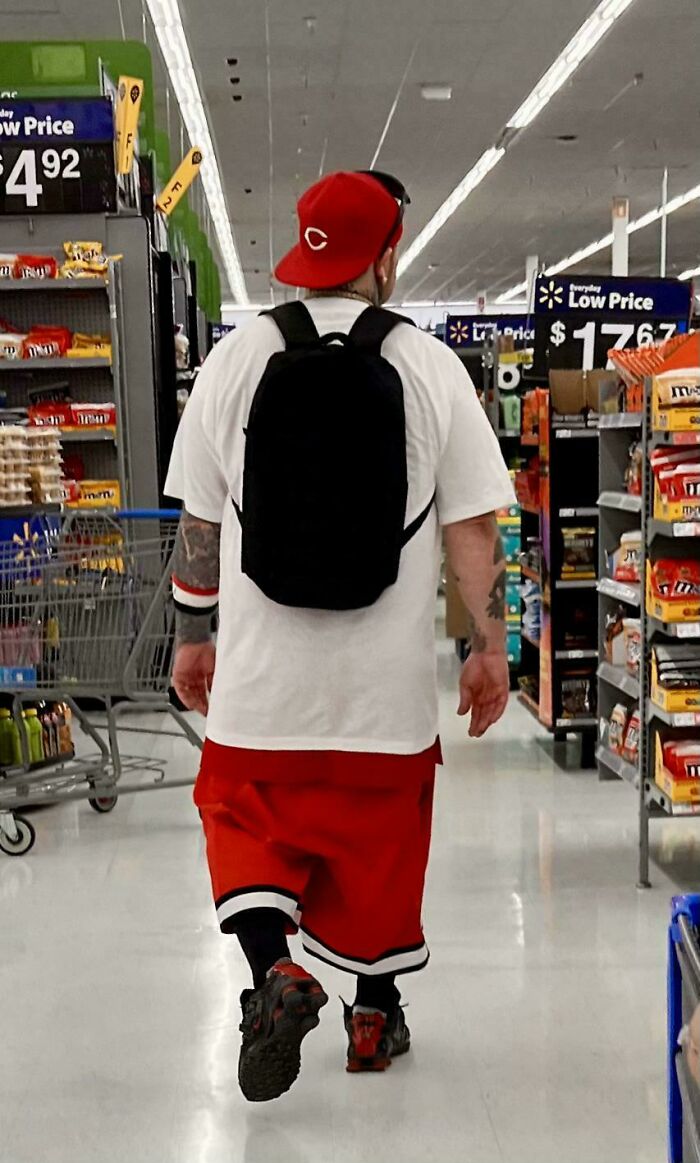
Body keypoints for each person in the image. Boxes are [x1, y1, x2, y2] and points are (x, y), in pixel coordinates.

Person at [165, 170, 515, 1103]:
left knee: (246, 829)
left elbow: (200, 525)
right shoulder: (432, 368)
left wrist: (194, 634)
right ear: (387, 256)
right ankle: (371, 1013)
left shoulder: (237, 361)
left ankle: (275, 968)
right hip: (383, 703)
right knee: (374, 859)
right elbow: (473, 531)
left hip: (259, 693)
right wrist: (489, 644)